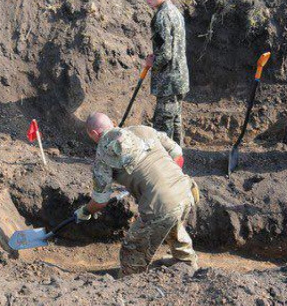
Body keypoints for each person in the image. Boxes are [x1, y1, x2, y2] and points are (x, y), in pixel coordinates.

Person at [75, 112, 199, 277]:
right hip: (186, 189)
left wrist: (85, 211)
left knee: (132, 248)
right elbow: (176, 152)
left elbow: (100, 201)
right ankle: (186, 262)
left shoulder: (102, 157)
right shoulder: (142, 130)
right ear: (113, 123)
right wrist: (169, 181)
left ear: (93, 134)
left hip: (162, 204)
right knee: (171, 220)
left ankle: (131, 281)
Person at [141, 0, 189, 146]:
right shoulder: (175, 12)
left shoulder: (162, 17)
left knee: (163, 127)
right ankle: (177, 162)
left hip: (168, 81)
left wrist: (152, 63)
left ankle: (164, 165)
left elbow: (166, 53)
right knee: (175, 122)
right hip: (179, 78)